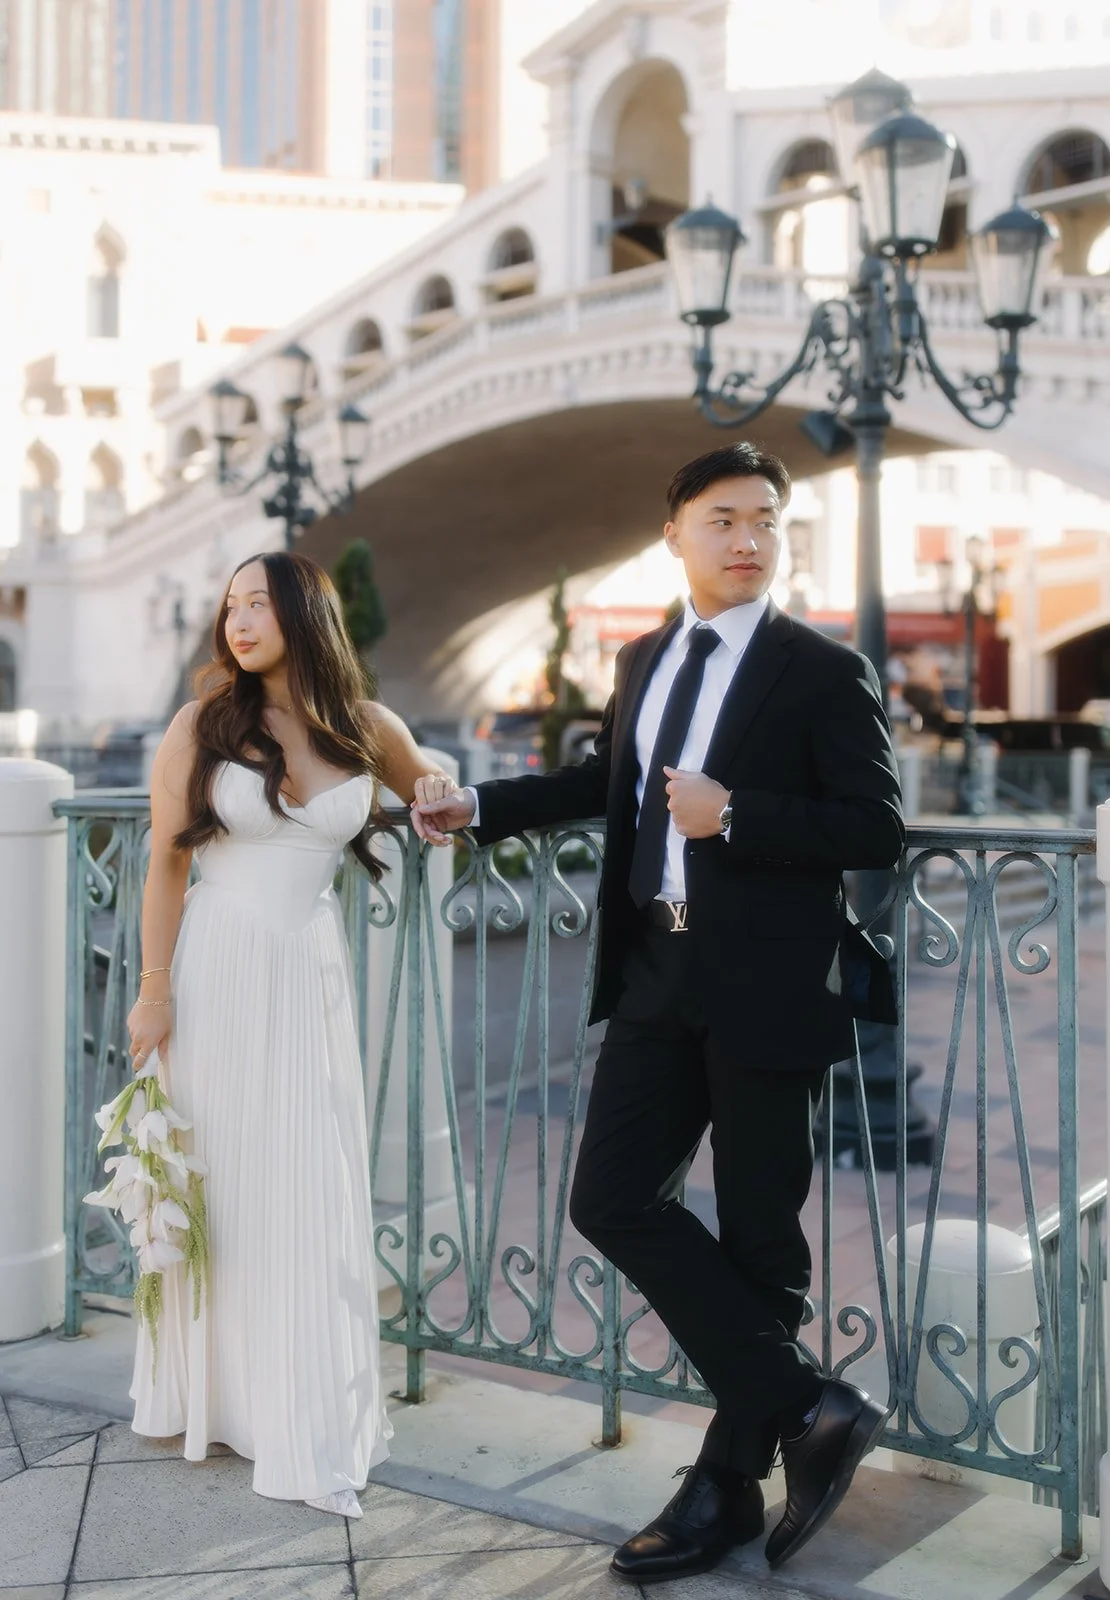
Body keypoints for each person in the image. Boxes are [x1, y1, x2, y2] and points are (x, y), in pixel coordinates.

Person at [412, 441, 903, 1578]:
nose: (748, 539)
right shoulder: (640, 658)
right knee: (611, 1196)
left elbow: (875, 827)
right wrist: (477, 803)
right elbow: (607, 786)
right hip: (655, 976)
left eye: (767, 520)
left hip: (770, 983)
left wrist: (736, 814)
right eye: (724, 519)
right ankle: (805, 1406)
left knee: (763, 1241)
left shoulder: (822, 672)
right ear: (675, 534)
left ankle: (724, 1486)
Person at [127, 550, 455, 1520]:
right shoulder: (202, 723)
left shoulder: (366, 724)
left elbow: (433, 794)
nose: (238, 618)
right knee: (222, 1183)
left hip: (310, 975)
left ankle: (301, 1409)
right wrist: (153, 993)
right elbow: (163, 870)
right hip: (217, 967)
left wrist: (437, 793)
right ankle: (217, 1399)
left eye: (257, 601)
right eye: (229, 605)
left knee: (304, 1184)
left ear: (307, 610)